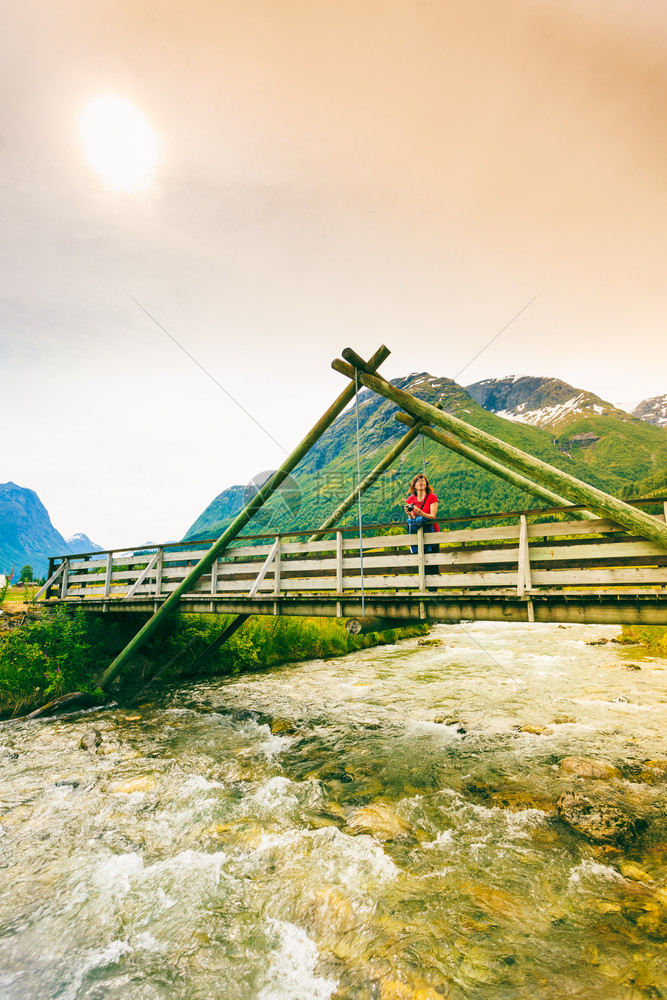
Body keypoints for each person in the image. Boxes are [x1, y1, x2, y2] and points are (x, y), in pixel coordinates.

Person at [405, 474, 440, 561]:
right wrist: (410, 514)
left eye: (423, 481)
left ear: (426, 484)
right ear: (414, 485)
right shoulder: (410, 499)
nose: (421, 482)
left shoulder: (432, 497)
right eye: (418, 481)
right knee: (420, 562)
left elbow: (432, 516)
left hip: (432, 532)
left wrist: (421, 513)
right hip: (417, 534)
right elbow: (413, 520)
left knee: (433, 561)